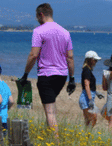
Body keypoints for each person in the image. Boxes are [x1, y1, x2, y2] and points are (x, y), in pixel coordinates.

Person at [21, 3, 74, 136]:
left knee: (50, 112)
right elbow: (70, 57)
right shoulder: (65, 32)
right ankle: (48, 136)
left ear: (41, 14)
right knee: (50, 108)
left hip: (46, 75)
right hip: (62, 76)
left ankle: (55, 143)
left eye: (36, 16)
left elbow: (33, 55)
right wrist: (72, 78)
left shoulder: (38, 31)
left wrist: (25, 74)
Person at [78, 51, 104, 128]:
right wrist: (90, 99)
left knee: (89, 120)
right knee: (93, 118)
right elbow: (86, 85)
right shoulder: (86, 70)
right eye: (95, 60)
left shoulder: (87, 70)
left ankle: (86, 136)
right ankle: (87, 135)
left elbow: (89, 86)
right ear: (90, 60)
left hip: (88, 97)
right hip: (86, 98)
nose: (96, 62)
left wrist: (96, 93)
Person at [0, 62, 13, 136]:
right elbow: (11, 101)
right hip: (4, 118)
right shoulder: (5, 84)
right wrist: (6, 109)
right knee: (3, 140)